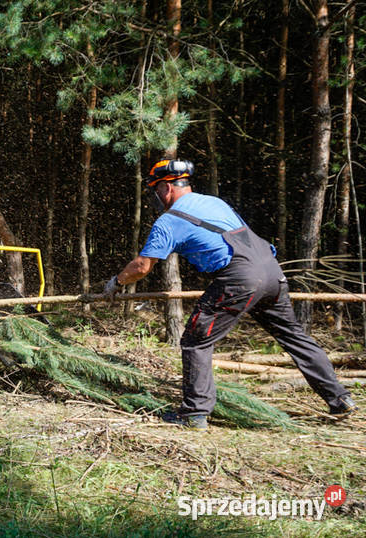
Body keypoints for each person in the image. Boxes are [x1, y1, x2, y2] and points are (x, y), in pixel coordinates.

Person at [104, 158, 357, 430]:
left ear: (166, 188)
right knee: (293, 336)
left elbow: (142, 267)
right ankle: (339, 398)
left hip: (240, 278)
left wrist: (116, 282)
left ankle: (194, 414)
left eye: (156, 190)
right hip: (271, 271)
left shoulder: (169, 221)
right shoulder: (214, 202)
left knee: (195, 339)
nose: (156, 197)